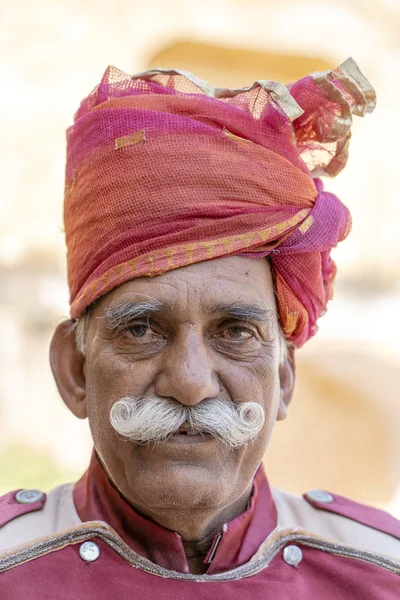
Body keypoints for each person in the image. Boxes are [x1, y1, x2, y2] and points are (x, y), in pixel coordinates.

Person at [0, 58, 399, 598]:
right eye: (142, 330)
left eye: (235, 332)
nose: (190, 382)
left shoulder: (379, 576)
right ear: (74, 369)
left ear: (283, 379)